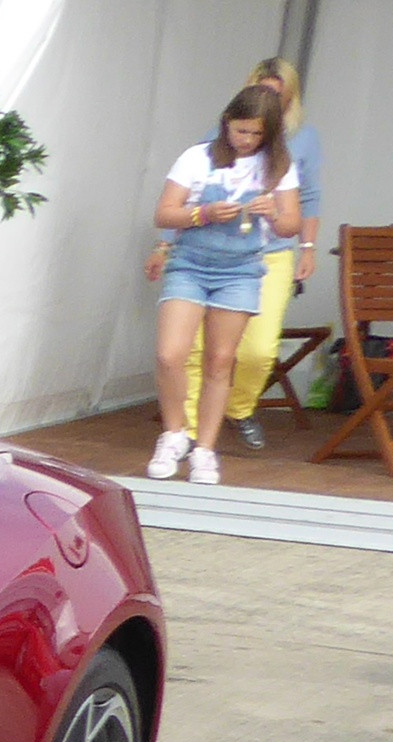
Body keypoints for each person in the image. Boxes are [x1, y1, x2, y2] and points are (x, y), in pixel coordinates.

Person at [146, 84, 299, 487]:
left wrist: (273, 213)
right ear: (226, 123)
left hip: (241, 271)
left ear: (269, 134)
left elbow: (291, 225)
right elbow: (164, 213)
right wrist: (203, 214)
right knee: (170, 354)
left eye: (255, 134)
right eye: (240, 130)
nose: (246, 140)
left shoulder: (278, 166)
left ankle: (205, 449)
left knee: (220, 360)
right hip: (190, 265)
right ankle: (174, 434)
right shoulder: (197, 158)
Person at [171, 56, 321, 450]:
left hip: (270, 254)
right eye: (261, 90)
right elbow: (185, 194)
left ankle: (238, 408)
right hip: (208, 250)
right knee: (196, 348)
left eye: (277, 95)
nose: (267, 100)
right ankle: (187, 431)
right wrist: (166, 242)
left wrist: (307, 246)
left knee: (258, 349)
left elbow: (309, 199)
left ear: (290, 99)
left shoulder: (302, 139)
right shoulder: (220, 136)